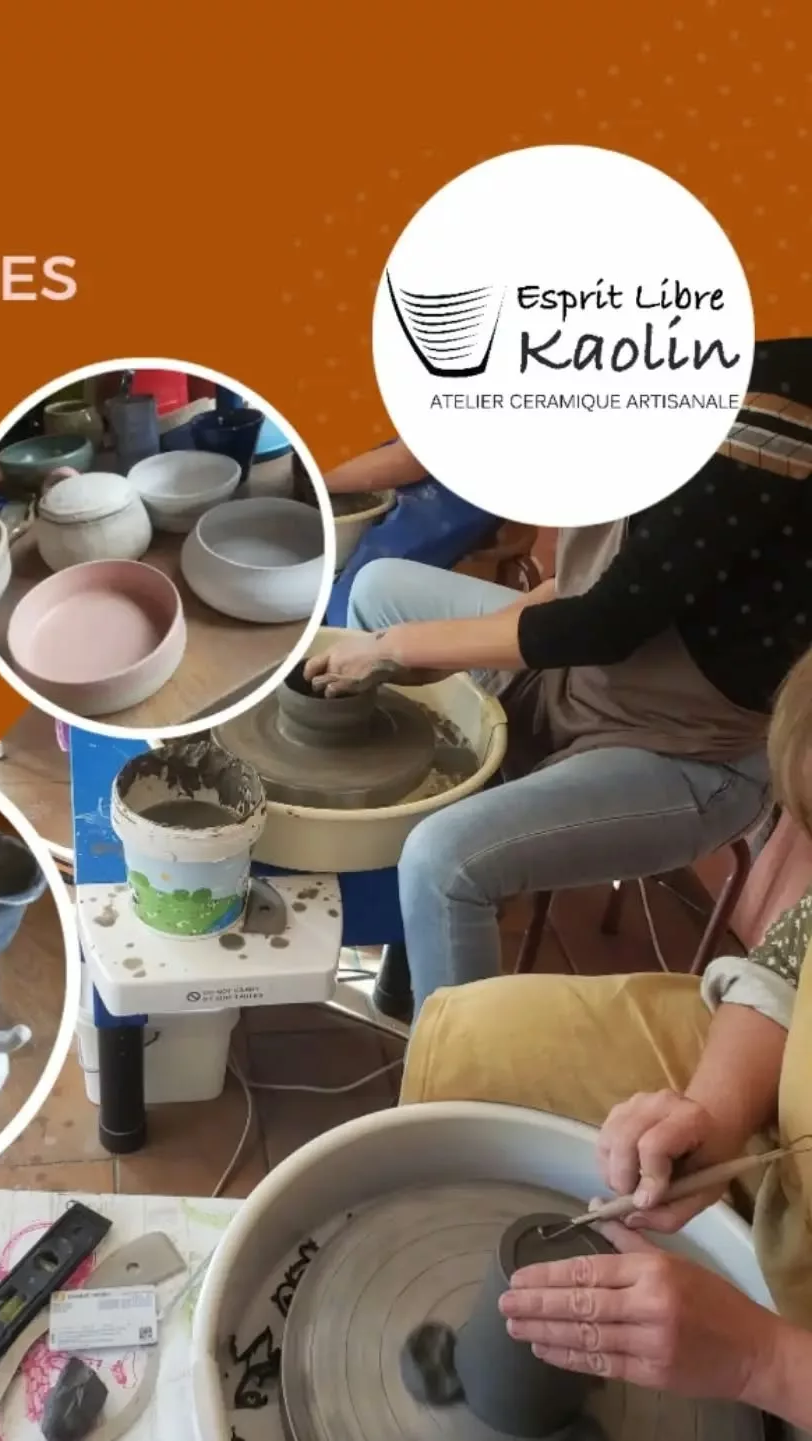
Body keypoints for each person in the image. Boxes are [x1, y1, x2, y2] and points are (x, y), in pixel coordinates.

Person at [305, 338, 812, 1019]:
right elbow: (580, 588)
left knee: (443, 860)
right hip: (582, 674)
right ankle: (407, 961)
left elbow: (607, 621)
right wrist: (420, 648)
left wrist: (397, 649)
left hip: (686, 748)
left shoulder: (773, 395)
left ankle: (451, 1075)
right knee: (379, 590)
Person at [397, 639, 812, 1431]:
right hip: (786, 1113)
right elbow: (788, 964)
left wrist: (766, 1360)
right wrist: (715, 1112)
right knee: (476, 1039)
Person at [322, 439, 500, 626]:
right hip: (405, 455)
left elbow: (408, 461)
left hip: (457, 483)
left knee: (352, 602)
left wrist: (312, 475)